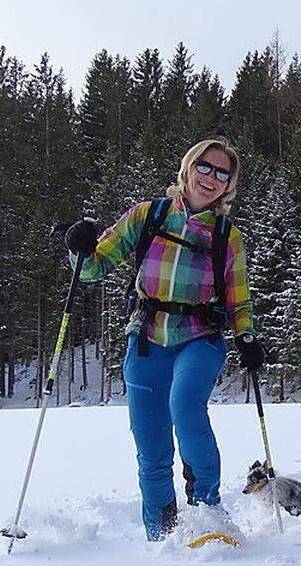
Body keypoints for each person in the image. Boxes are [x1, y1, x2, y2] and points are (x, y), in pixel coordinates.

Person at [64, 137, 265, 542]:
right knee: (151, 447)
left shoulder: (227, 236)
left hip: (200, 339)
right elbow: (93, 268)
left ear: (229, 185)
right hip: (147, 339)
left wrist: (246, 338)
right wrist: (79, 248)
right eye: (204, 167)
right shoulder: (148, 215)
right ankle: (161, 535)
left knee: (185, 405)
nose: (211, 178)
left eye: (222, 173)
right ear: (189, 168)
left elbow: (238, 298)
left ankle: (207, 509)